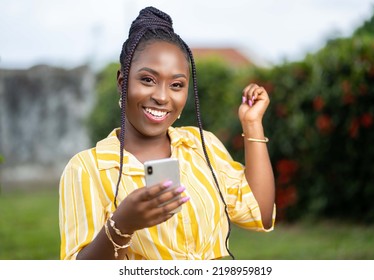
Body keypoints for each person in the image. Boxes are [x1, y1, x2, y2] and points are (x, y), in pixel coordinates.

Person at [59, 6, 275, 260]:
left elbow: (259, 213)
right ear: (122, 82)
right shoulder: (87, 168)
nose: (162, 97)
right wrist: (121, 226)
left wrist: (252, 123)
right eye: (148, 80)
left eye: (176, 85)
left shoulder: (202, 145)